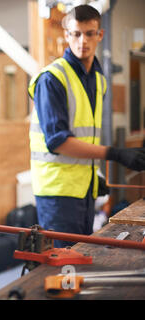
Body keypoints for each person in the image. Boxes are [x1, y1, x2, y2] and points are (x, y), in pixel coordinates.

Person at [28, 4, 145, 248]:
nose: (83, 41)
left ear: (99, 35)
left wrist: (95, 174)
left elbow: (86, 136)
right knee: (63, 263)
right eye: (76, 34)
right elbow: (58, 142)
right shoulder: (52, 79)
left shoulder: (98, 80)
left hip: (84, 188)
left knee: (80, 257)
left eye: (89, 33)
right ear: (67, 36)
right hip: (57, 192)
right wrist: (114, 153)